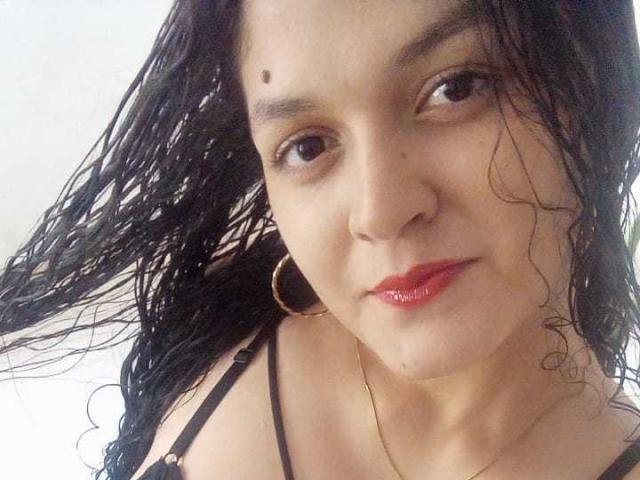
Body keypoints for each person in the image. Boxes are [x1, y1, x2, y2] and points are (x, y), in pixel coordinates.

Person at [3, 0, 640, 478]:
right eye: (307, 146)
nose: (380, 212)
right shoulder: (228, 319)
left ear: (585, 83)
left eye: (455, 89)